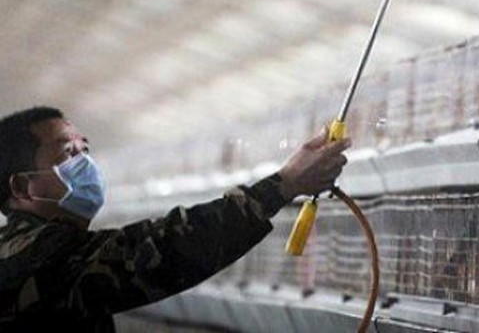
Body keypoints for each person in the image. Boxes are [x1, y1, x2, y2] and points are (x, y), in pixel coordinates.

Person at [0, 106, 351, 332]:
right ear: (22, 186)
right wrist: (283, 185)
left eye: (85, 149)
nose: (86, 163)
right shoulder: (33, 256)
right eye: (68, 152)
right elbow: (162, 248)